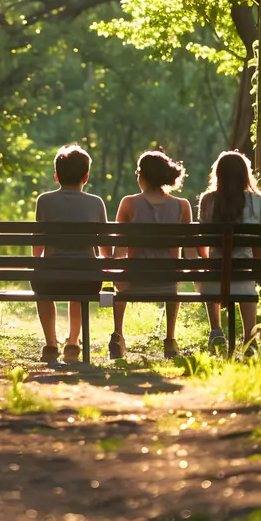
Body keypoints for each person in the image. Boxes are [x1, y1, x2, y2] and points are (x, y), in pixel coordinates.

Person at [110, 149, 192, 360]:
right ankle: (171, 340)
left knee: (121, 274)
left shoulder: (128, 203)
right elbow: (190, 254)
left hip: (134, 282)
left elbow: (118, 252)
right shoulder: (182, 206)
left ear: (143, 175)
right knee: (173, 278)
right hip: (167, 282)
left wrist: (115, 274)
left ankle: (118, 335)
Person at [32, 144, 107, 364]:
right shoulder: (96, 203)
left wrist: (37, 265)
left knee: (41, 280)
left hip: (50, 280)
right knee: (79, 279)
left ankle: (50, 344)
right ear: (86, 176)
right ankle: (73, 343)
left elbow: (38, 245)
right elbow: (105, 249)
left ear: (56, 176)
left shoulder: (44, 201)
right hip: (87, 281)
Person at [198, 150, 261, 358]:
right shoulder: (258, 201)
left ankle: (216, 331)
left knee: (209, 268)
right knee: (246, 278)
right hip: (244, 277)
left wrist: (208, 264)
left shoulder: (208, 200)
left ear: (218, 174)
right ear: (245, 174)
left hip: (215, 277)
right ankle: (250, 338)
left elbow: (202, 242)